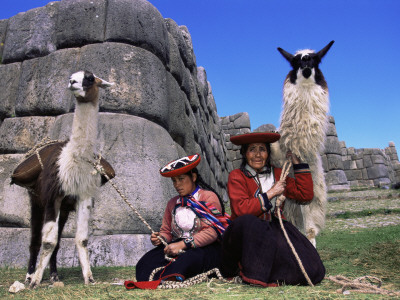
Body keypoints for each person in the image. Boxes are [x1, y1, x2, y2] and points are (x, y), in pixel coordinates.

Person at [221, 132, 325, 287]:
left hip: (273, 227)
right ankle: (253, 275)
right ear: (244, 153)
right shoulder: (237, 176)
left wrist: (296, 161)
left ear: (268, 153)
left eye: (262, 149)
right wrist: (271, 193)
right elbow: (241, 210)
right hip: (244, 232)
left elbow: (305, 194)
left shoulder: (277, 174)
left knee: (311, 266)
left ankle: (273, 275)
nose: (257, 155)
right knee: (249, 221)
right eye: (252, 149)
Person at [135, 154, 231, 283]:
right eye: (174, 181)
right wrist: (160, 238)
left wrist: (183, 244)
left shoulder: (208, 197)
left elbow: (212, 231)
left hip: (205, 247)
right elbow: (166, 231)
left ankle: (172, 277)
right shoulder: (173, 203)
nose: (177, 185)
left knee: (189, 258)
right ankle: (165, 277)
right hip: (178, 246)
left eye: (181, 179)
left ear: (193, 177)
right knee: (147, 260)